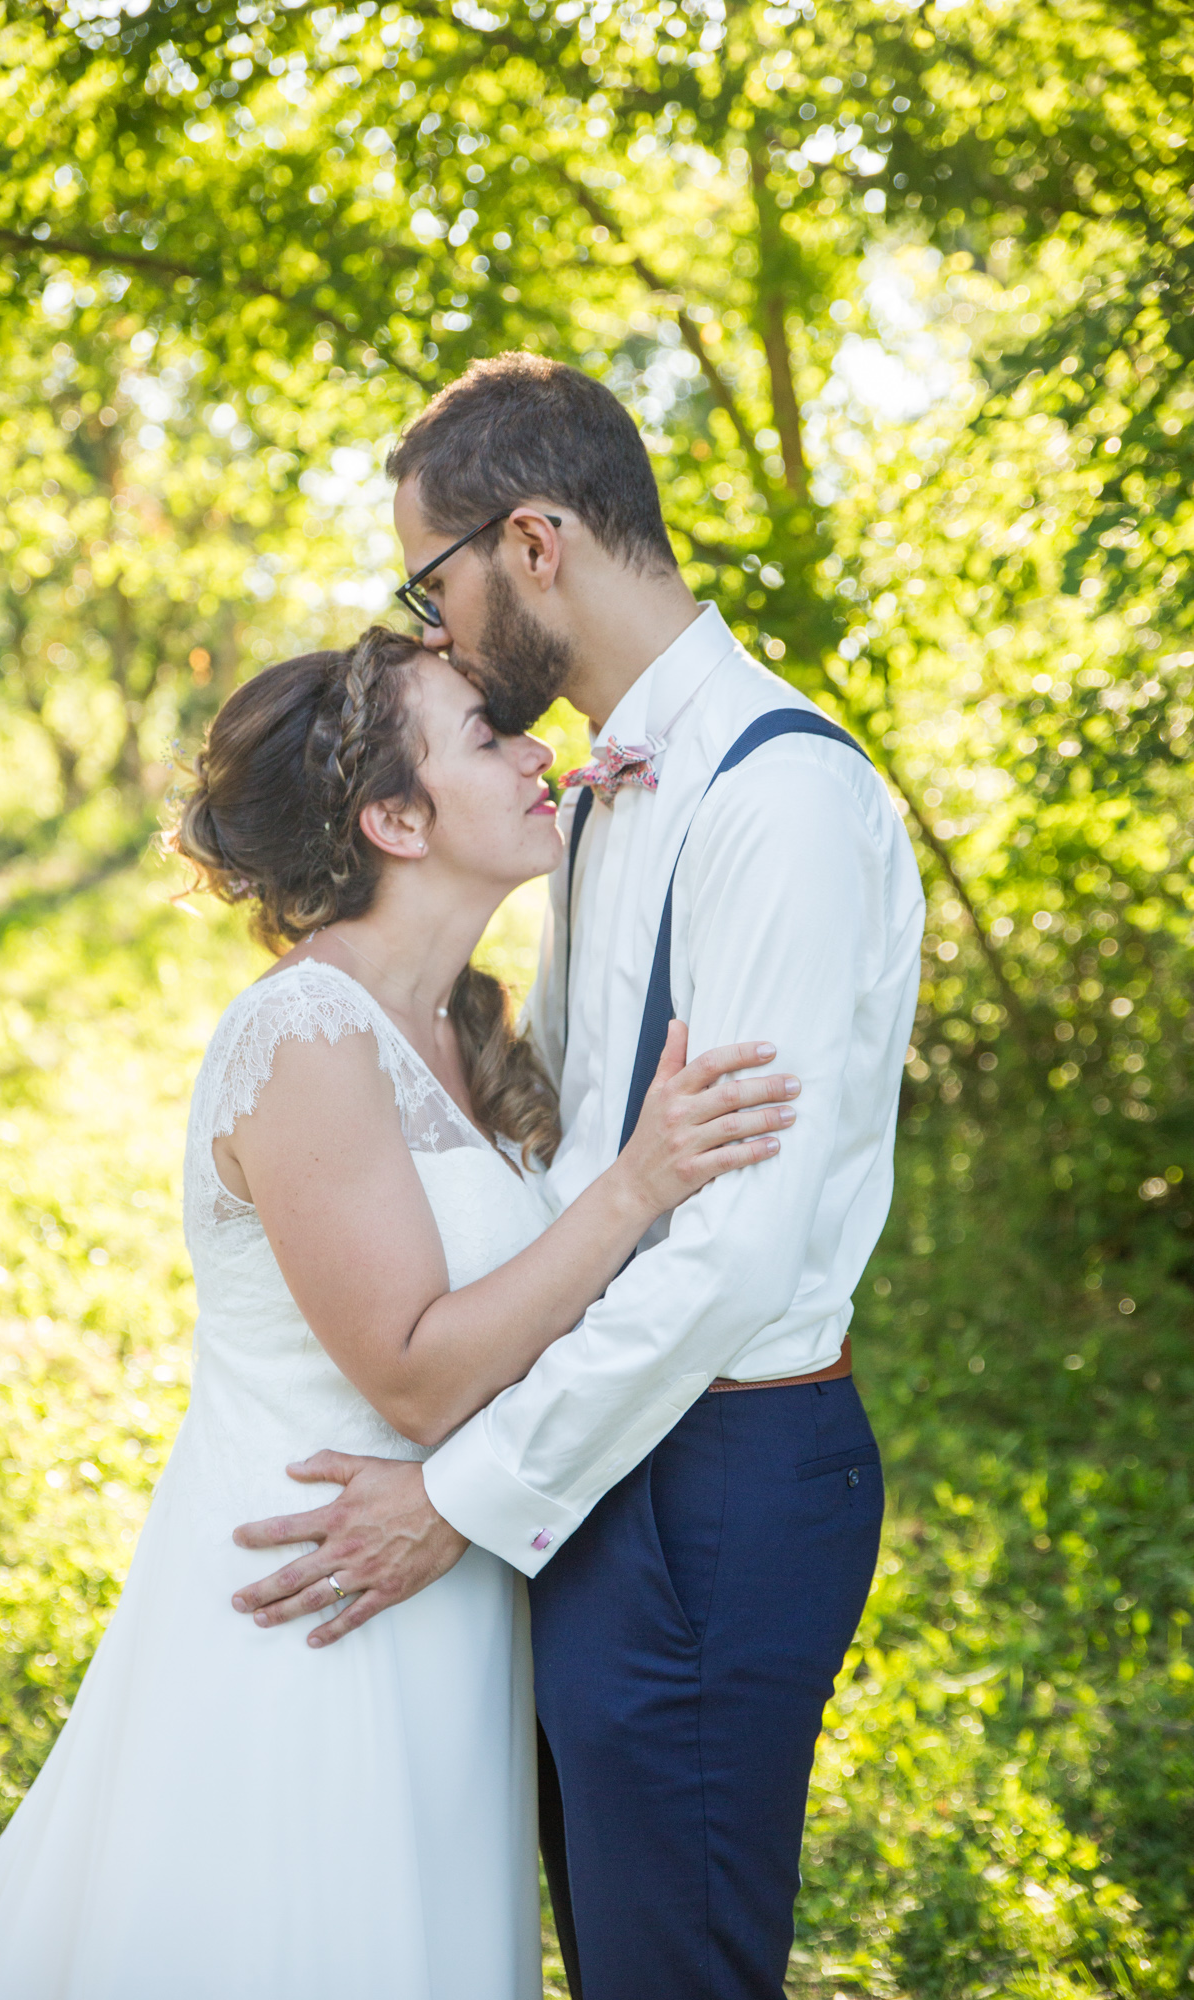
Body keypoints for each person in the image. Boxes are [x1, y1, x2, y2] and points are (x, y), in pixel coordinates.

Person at [0, 625, 798, 2000]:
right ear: (393, 818)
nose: (537, 751)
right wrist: (637, 1187)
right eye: (487, 737)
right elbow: (418, 1377)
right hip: (311, 1608)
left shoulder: (457, 1025)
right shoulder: (306, 1039)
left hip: (434, 1587)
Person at [230, 356, 926, 2000]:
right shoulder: (607, 793)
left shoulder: (785, 807)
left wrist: (453, 1500)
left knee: (669, 1964)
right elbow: (565, 1143)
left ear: (531, 544)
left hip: (717, 1474)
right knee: (601, 1939)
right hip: (607, 1449)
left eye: (435, 580)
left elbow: (731, 1261)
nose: (432, 628)